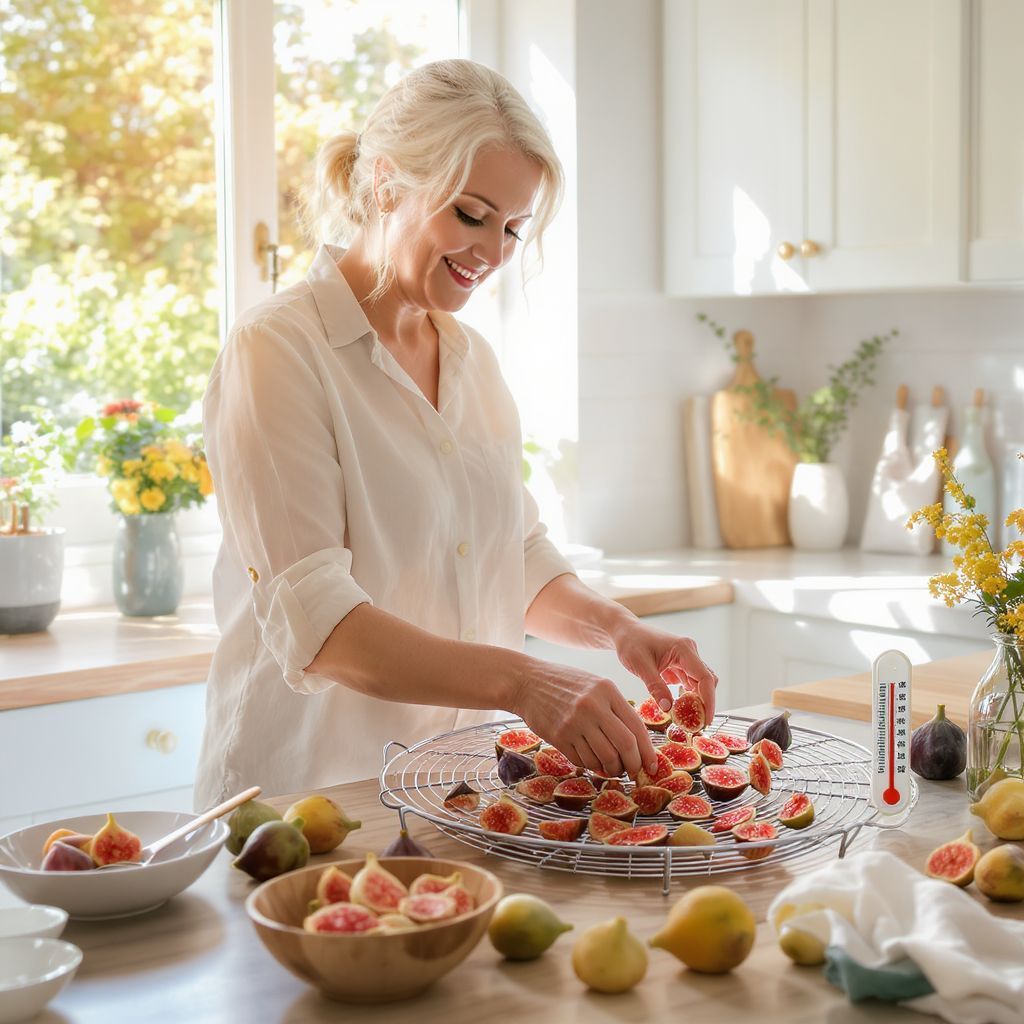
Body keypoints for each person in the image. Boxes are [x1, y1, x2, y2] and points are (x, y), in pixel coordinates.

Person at [193, 59, 717, 810]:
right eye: (471, 215)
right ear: (385, 185)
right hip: (306, 807)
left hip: (456, 799)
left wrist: (621, 631)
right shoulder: (275, 350)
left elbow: (515, 552)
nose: (496, 252)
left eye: (512, 227)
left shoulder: (473, 361)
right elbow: (322, 626)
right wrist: (524, 682)